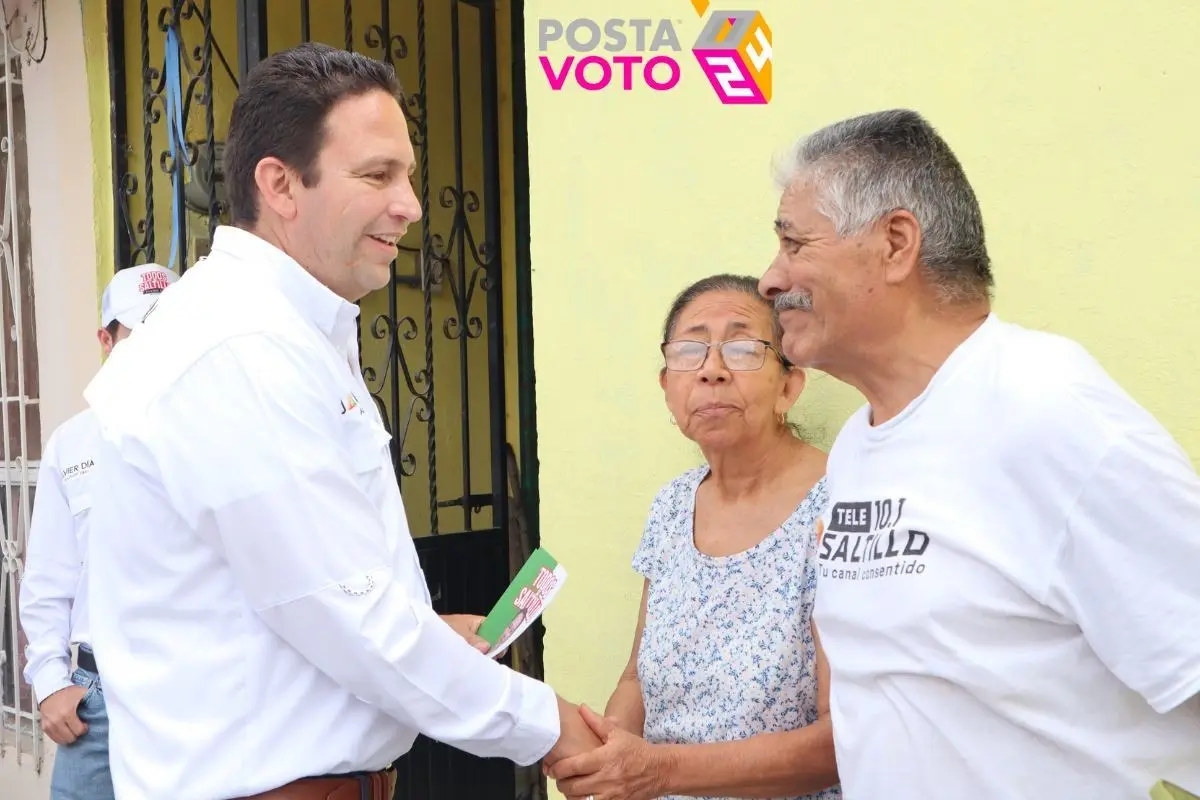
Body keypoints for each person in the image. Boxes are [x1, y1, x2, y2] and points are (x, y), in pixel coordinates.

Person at [80, 43, 598, 799]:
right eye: (377, 175)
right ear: (281, 185)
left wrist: (429, 636)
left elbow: (309, 601)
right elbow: (346, 617)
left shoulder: (288, 330)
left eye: (409, 175)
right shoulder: (240, 349)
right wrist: (553, 728)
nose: (411, 205)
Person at [758, 108, 1200, 799]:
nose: (770, 278)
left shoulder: (1048, 411)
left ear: (896, 243)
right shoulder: (857, 446)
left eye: (793, 243)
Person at [549, 275, 840, 800]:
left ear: (789, 386)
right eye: (690, 351)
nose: (711, 371)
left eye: (742, 349)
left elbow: (840, 741)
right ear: (667, 387)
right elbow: (637, 679)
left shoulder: (838, 506)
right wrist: (608, 758)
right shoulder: (671, 505)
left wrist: (656, 770)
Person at [18, 263, 177, 800]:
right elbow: (47, 578)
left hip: (188, 695)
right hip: (96, 705)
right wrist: (50, 684)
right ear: (106, 340)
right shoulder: (72, 444)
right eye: (139, 332)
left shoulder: (219, 434)